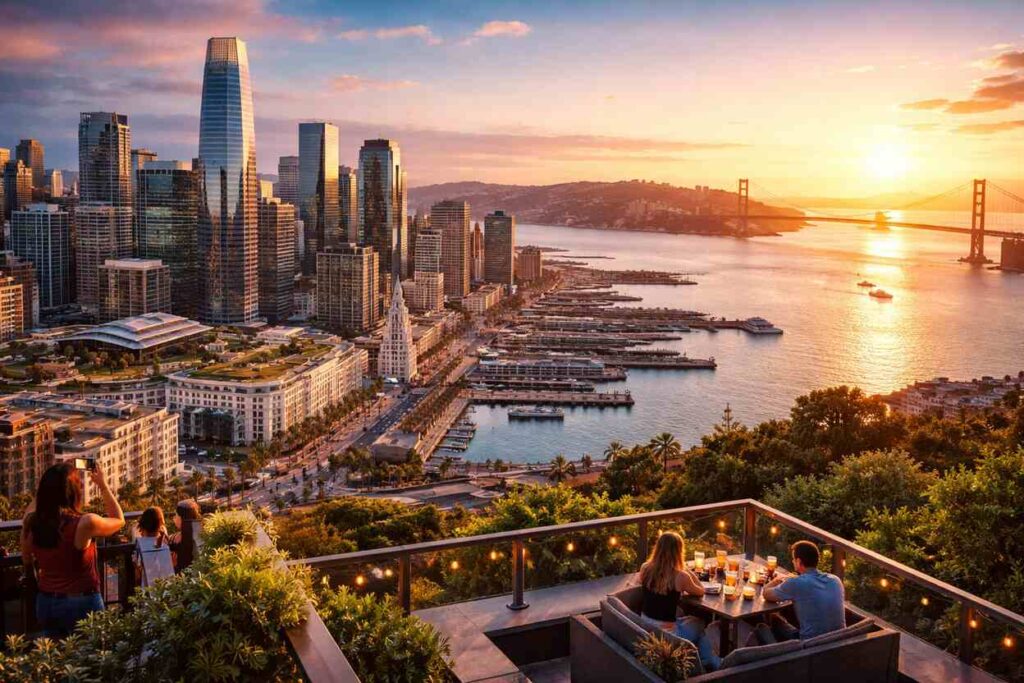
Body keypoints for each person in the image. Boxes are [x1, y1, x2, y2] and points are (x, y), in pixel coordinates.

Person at [20, 462, 125, 638]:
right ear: (73, 492)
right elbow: (118, 520)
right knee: (92, 658)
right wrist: (103, 485)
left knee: (55, 659)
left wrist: (48, 487)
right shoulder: (84, 523)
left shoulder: (31, 522)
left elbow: (26, 559)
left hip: (47, 601)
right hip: (82, 602)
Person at [638, 532, 722, 671]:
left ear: (658, 548)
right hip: (668, 636)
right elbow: (700, 590)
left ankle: (706, 661)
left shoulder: (645, 567)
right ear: (678, 552)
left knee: (690, 621)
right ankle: (711, 661)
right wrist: (684, 568)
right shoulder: (680, 576)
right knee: (700, 624)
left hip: (646, 627)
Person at [759, 540, 846, 643]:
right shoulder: (835, 580)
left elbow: (765, 593)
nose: (792, 562)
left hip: (808, 647)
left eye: (793, 559)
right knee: (776, 618)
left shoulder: (796, 583)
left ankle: (774, 653)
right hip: (838, 644)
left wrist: (776, 580)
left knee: (762, 627)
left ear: (799, 561)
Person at [167, 499, 202, 571]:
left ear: (181, 518)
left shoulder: (185, 537)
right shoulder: (198, 531)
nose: (174, 518)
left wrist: (173, 565)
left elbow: (183, 565)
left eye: (176, 515)